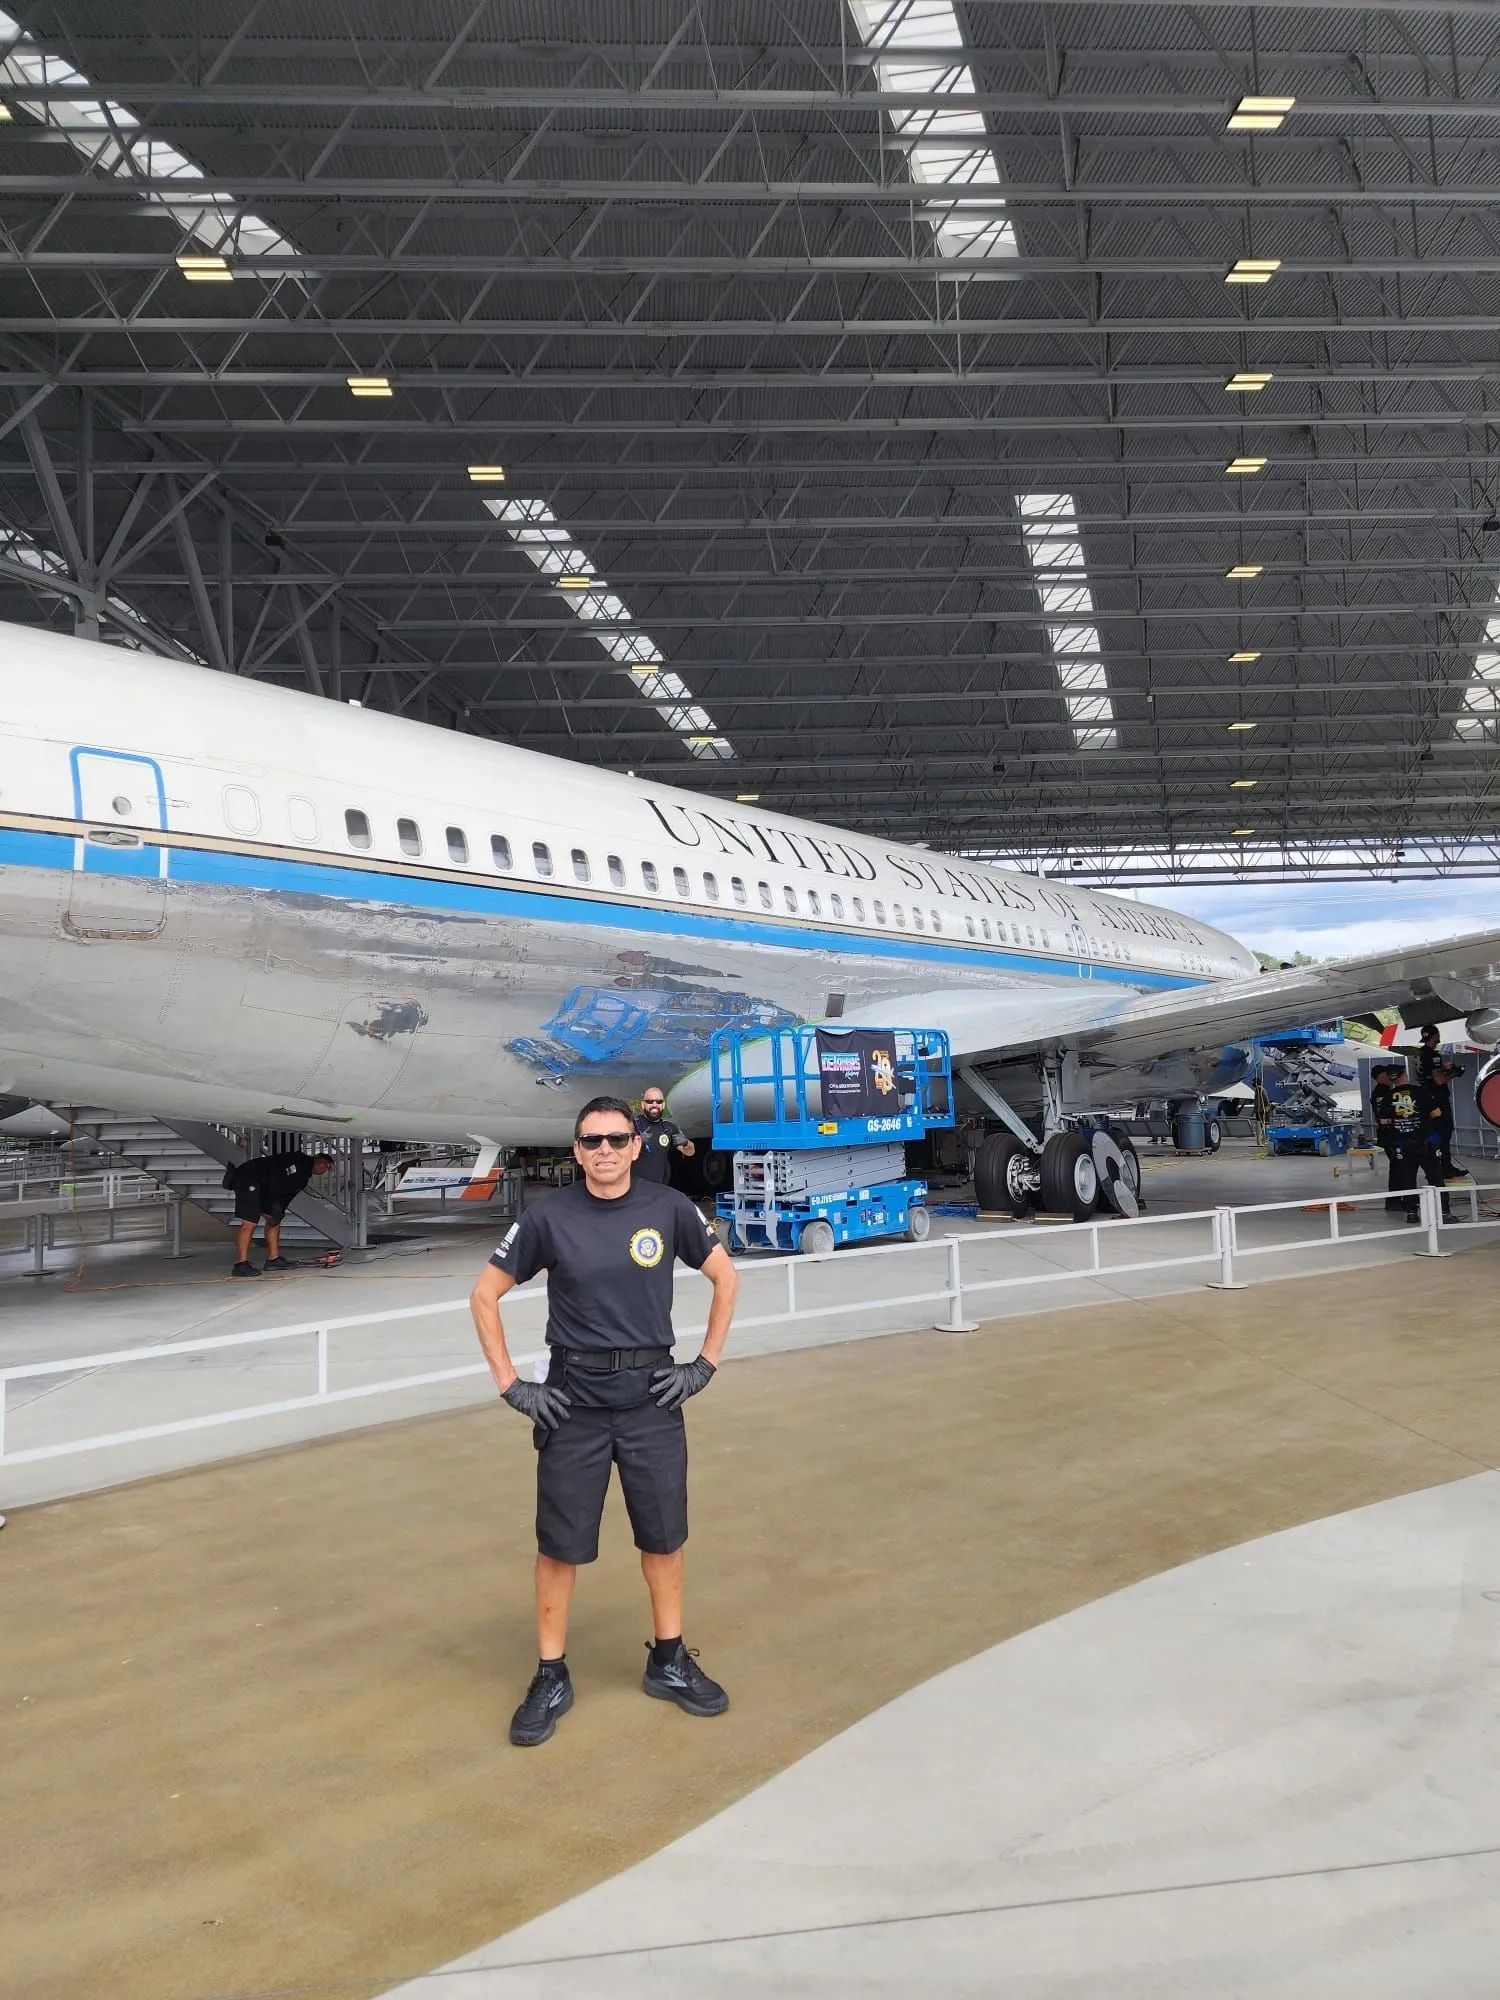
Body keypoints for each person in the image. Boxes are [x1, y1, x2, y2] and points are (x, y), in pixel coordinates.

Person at [469, 1094, 739, 1749]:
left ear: (637, 1144)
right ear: (577, 1150)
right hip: (575, 1402)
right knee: (560, 1545)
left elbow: (725, 1278)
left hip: (652, 1397)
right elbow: (484, 1294)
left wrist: (702, 1365)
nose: (606, 1151)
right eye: (592, 1142)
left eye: (617, 1139)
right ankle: (551, 1673)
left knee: (663, 1537)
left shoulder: (669, 1210)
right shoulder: (549, 1218)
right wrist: (513, 1386)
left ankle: (669, 1659)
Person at [227, 1149, 334, 1275]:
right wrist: (275, 1203)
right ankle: (241, 1265)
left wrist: (278, 1211)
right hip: (249, 1178)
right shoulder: (299, 1160)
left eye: (327, 1168)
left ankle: (273, 1260)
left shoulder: (303, 1177)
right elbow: (277, 1176)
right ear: (316, 1157)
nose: (323, 1168)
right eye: (323, 1163)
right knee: (249, 1222)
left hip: (264, 1187)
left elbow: (287, 1195)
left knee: (274, 1221)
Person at [632, 1085, 696, 1186]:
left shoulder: (669, 1128)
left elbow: (690, 1152)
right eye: (650, 1101)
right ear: (643, 1104)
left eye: (659, 1102)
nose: (654, 1104)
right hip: (634, 1189)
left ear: (663, 1105)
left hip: (659, 1188)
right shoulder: (632, 1125)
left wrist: (686, 1143)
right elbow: (618, 1151)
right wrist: (636, 1141)